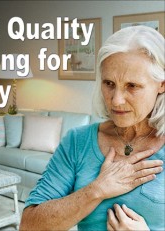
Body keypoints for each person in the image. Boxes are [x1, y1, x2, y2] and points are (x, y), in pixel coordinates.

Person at [20, 25, 164, 230]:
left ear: (162, 84)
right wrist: (96, 190)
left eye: (132, 86)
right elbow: (29, 225)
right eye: (109, 83)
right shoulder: (77, 141)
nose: (116, 100)